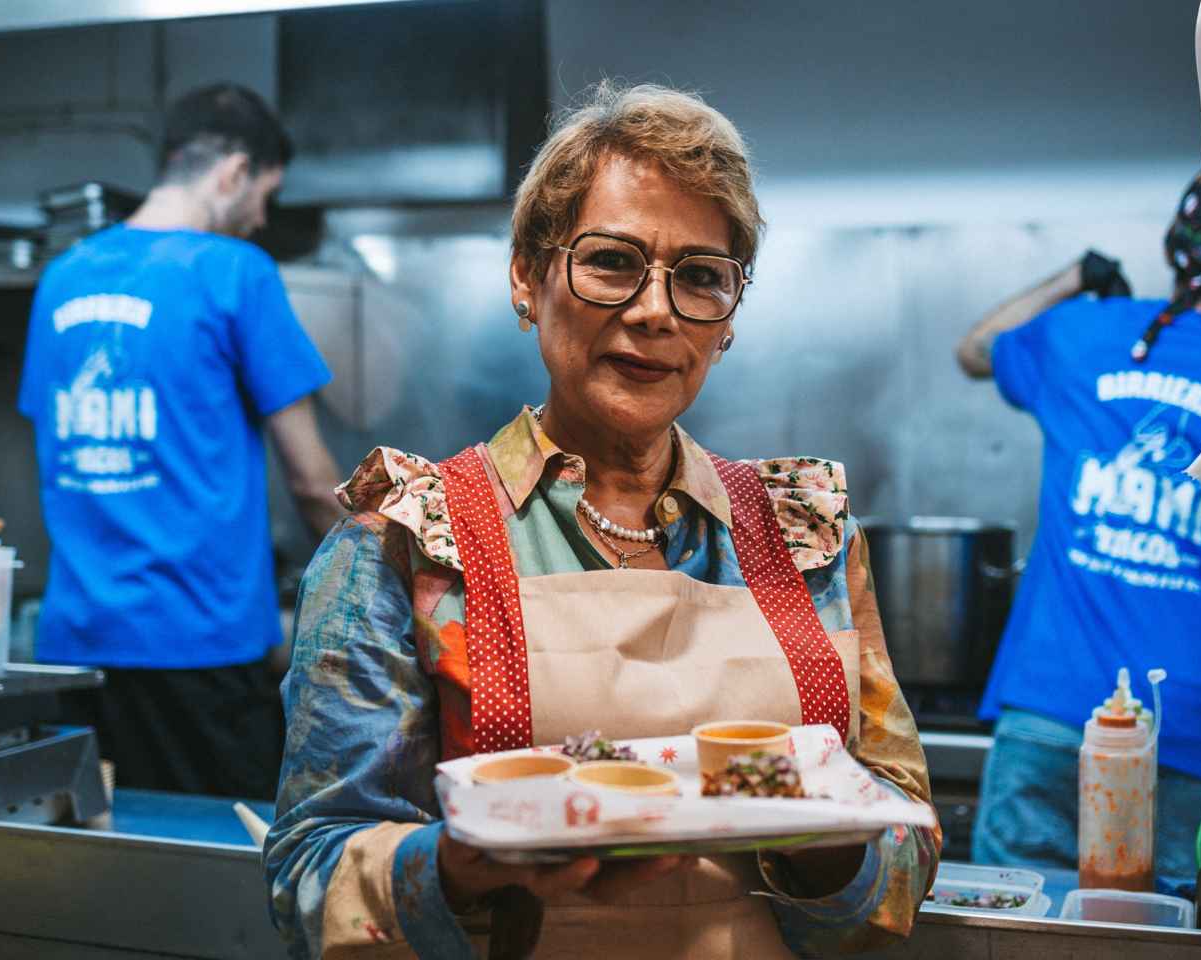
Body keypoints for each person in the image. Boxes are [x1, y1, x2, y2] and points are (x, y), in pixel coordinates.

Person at [263, 82, 938, 959]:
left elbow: (908, 845)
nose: (657, 310)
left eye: (700, 277)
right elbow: (309, 878)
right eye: (613, 261)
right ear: (526, 278)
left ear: (726, 320)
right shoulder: (406, 540)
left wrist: (827, 839)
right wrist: (466, 863)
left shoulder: (803, 540)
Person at [957, 172, 1201, 888]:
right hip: (1191, 726)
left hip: (1052, 710)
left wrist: (1077, 277)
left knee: (1020, 931)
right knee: (1175, 938)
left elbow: (976, 349)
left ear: (1178, 246)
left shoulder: (1081, 333)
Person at [17, 84, 344, 800]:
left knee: (105, 868)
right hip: (199, 647)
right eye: (265, 193)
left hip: (76, 646)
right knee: (227, 874)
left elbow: (55, 442)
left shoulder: (61, 278)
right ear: (231, 172)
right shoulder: (235, 273)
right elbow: (314, 482)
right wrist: (393, 569)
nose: (260, 219)